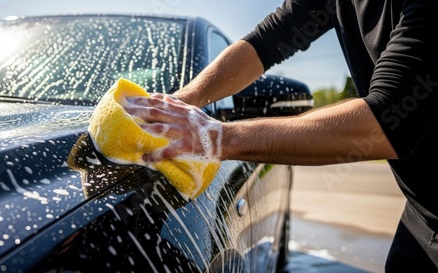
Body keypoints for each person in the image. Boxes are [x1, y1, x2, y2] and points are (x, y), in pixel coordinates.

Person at [124, 0, 438, 271]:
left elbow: (389, 118)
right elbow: (268, 39)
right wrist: (177, 103)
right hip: (420, 213)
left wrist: (216, 138)